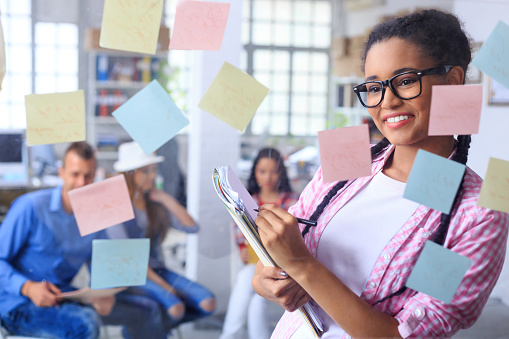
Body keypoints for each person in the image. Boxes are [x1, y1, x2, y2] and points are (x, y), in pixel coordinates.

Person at [252, 9, 509, 339]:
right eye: (374, 86)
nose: (386, 101)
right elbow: (279, 254)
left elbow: (400, 335)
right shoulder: (348, 156)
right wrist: (266, 278)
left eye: (405, 81)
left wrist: (303, 266)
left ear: (453, 81)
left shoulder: (477, 213)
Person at [0, 141, 169, 339]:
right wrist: (27, 287)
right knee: (86, 323)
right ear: (61, 172)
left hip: (64, 296)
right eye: (75, 174)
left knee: (147, 309)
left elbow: (100, 265)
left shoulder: (95, 211)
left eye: (88, 176)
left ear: (95, 174)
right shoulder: (31, 206)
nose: (81, 183)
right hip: (18, 303)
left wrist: (103, 292)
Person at [109, 140, 216, 334]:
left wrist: (165, 198)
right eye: (145, 171)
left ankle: (140, 330)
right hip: (132, 274)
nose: (152, 175)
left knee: (208, 303)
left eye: (153, 169)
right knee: (175, 307)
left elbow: (192, 227)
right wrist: (167, 288)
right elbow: (130, 260)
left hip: (157, 270)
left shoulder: (154, 204)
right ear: (129, 175)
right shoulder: (117, 208)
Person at [220, 147, 298, 339]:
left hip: (283, 264)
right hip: (256, 263)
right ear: (255, 172)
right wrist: (241, 248)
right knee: (255, 300)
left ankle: (228, 335)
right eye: (262, 171)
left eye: (274, 171)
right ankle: (230, 334)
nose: (268, 177)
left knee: (246, 277)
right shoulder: (248, 201)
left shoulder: (293, 200)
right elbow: (238, 228)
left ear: (281, 173)